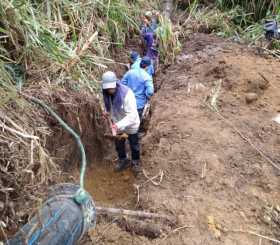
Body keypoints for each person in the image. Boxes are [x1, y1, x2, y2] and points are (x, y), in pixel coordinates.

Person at [102, 71, 141, 175]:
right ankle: (123, 160)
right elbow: (109, 106)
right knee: (119, 144)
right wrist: (107, 112)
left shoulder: (127, 94)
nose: (110, 90)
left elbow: (132, 115)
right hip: (117, 123)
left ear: (115, 83)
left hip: (130, 124)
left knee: (134, 144)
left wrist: (117, 125)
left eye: (111, 88)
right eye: (107, 88)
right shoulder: (107, 94)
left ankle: (135, 161)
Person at [121, 56, 154, 122]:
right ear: (147, 66)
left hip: (128, 102)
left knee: (128, 120)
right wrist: (147, 97)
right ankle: (136, 131)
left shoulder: (130, 72)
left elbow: (122, 83)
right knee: (137, 121)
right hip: (139, 104)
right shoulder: (147, 77)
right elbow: (150, 92)